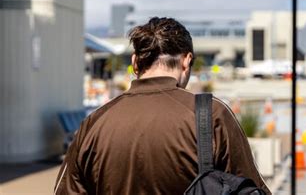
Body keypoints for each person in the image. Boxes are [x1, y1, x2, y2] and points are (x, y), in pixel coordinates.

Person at [54, 17, 271, 195]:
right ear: (186, 61)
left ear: (135, 63)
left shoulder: (95, 122)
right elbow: (252, 189)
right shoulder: (210, 115)